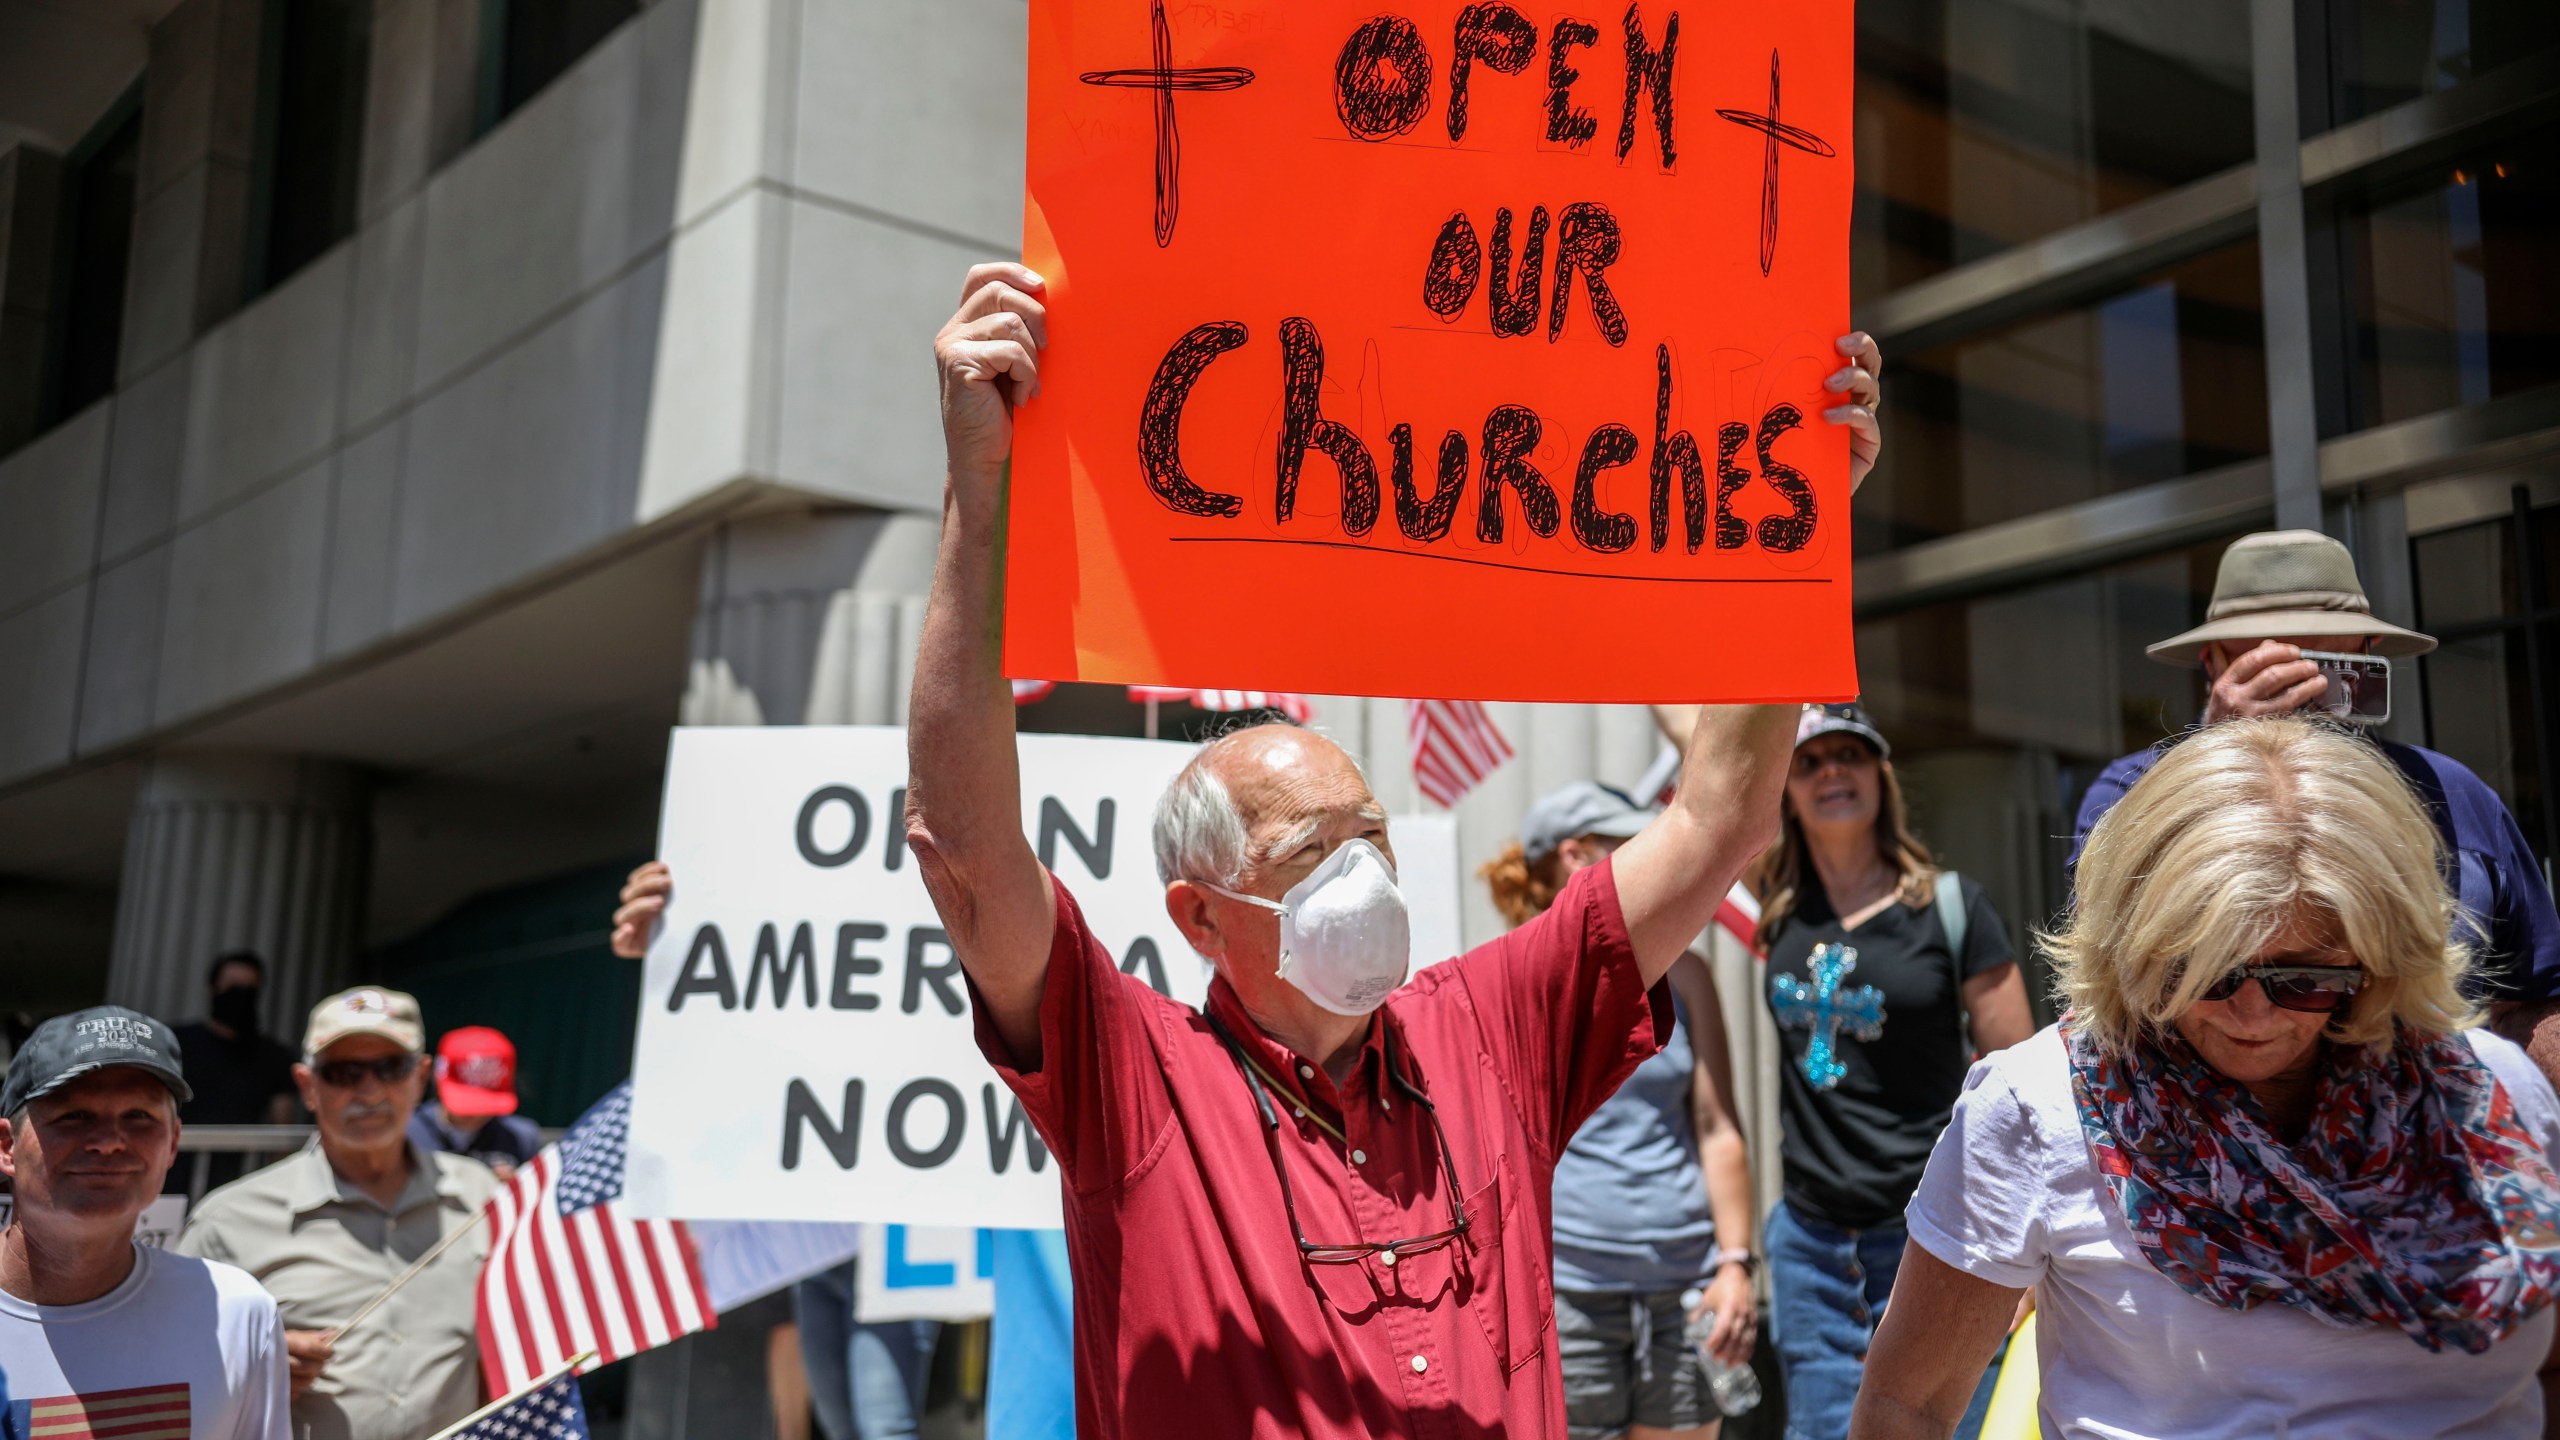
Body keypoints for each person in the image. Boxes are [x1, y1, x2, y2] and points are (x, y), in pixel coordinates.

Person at [790, 261, 1865, 1436]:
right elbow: (969, 847)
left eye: (1374, 838)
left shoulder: (1492, 1028)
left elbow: (1720, 824)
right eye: (1312, 849)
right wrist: (978, 490)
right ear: (1200, 914)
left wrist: (1797, 537)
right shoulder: (1138, 1083)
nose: (1367, 874)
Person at [1856, 717, 2560, 1439]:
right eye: (2210, 972)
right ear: (2136, 944)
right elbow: (1906, 1407)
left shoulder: (2497, 1097)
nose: (2253, 1013)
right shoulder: (2038, 1108)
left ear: (2376, 958)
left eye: (2304, 978)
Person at [2070, 528, 2560, 1085]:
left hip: (2432, 1141)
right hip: (2200, 1144)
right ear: (2213, 664)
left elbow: (2538, 994)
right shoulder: (2132, 795)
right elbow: (2107, 969)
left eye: (2325, 661)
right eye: (2273, 665)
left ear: (2369, 655)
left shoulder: (2454, 793)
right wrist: (2222, 762)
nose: (2300, 686)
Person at [1739, 703, 2032, 1440]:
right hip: (1810, 1245)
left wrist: (2027, 1251)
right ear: (1786, 788)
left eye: (1851, 755)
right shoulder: (1779, 916)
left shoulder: (1951, 908)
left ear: (1882, 777)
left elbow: (2021, 1088)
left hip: (1935, 1242)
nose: (1832, 771)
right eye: (1808, 761)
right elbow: (1711, 770)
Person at [611, 867, 941, 1440]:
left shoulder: (895, 952)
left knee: (885, 1429)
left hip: (888, 1241)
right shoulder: (791, 968)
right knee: (842, 1427)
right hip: (810, 1244)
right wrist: (676, 946)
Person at [1484, 782, 1759, 1440]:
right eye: (1632, 844)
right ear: (1576, 857)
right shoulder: (1511, 976)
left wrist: (1736, 1263)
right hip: (1567, 1286)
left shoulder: (1687, 974)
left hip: (1688, 1284)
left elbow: (1718, 1128)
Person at [173, 987, 499, 1440]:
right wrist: (248, 1370)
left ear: (420, 1076)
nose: (369, 1091)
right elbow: (171, 1374)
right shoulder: (229, 1222)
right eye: (344, 1072)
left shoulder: (485, 1197)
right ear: (307, 1085)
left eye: (390, 1068)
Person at [0, 1006, 289, 1439]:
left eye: (139, 1117)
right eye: (74, 1116)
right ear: (7, 1147)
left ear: (172, 1143)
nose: (110, 1142)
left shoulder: (237, 1313)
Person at [170, 951, 301, 1192]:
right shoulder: (175, 1045)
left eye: (249, 990)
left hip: (236, 1184)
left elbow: (281, 1135)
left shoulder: (274, 1057)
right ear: (213, 989)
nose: (241, 997)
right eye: (232, 987)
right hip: (168, 1180)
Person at [406, 1026, 541, 1182]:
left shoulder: (520, 1138)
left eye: (486, 1104)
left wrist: (513, 1187)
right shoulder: (406, 1132)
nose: (475, 1114)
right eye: (464, 1101)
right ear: (435, 1077)